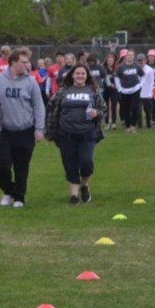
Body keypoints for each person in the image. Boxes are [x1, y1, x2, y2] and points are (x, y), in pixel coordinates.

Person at [0, 48, 46, 208]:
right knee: (2, 163)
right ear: (13, 62)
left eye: (27, 62)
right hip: (3, 131)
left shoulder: (31, 81)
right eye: (24, 62)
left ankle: (19, 197)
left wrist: (39, 129)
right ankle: (8, 190)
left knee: (21, 166)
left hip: (25, 130)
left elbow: (38, 106)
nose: (27, 65)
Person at [45, 64, 106, 205]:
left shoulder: (93, 91)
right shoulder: (62, 91)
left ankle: (84, 185)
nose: (80, 76)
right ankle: (73, 195)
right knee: (70, 164)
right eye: (77, 73)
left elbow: (103, 108)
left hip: (87, 133)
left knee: (86, 163)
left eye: (83, 74)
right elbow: (51, 108)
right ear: (72, 75)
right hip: (65, 133)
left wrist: (97, 113)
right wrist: (50, 130)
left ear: (87, 76)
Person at [115, 49, 144, 133]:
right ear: (125, 56)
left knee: (135, 108)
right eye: (128, 55)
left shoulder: (137, 66)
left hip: (135, 90)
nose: (130, 57)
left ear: (133, 56)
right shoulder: (121, 67)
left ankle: (133, 125)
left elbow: (143, 76)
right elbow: (117, 78)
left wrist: (140, 85)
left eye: (131, 55)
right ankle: (127, 126)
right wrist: (119, 88)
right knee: (126, 109)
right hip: (124, 91)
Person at [137, 53, 155, 129]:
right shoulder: (135, 68)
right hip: (138, 92)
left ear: (145, 60)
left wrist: (151, 92)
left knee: (148, 110)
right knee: (137, 110)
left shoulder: (149, 70)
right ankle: (139, 124)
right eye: (139, 61)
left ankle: (148, 122)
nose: (140, 62)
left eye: (142, 61)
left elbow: (152, 81)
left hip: (147, 92)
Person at [101, 52, 120, 130]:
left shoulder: (116, 69)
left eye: (112, 60)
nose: (110, 62)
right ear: (106, 60)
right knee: (106, 107)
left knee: (114, 106)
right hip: (106, 90)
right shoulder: (103, 68)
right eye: (109, 60)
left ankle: (114, 123)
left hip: (114, 90)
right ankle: (107, 123)